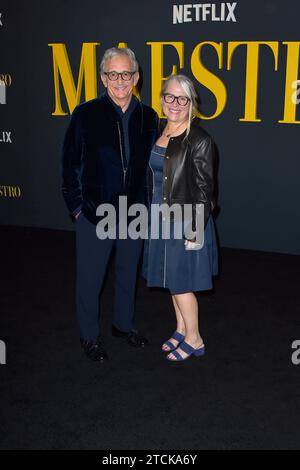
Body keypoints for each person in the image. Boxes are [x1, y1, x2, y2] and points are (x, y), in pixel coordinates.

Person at [62, 47, 158, 362]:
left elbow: (150, 166)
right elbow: (69, 164)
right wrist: (77, 207)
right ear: (104, 78)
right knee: (90, 278)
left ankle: (123, 325)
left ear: (136, 77)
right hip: (95, 212)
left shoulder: (148, 116)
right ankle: (89, 336)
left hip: (133, 211)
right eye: (113, 74)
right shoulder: (86, 113)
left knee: (127, 272)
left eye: (126, 73)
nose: (120, 80)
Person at [144, 74, 218, 362]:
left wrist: (194, 229)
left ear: (191, 104)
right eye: (169, 96)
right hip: (158, 214)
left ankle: (194, 337)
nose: (175, 103)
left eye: (182, 98)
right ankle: (180, 328)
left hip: (184, 219)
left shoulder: (199, 140)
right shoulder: (160, 131)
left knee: (181, 283)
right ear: (162, 98)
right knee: (170, 279)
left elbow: (205, 190)